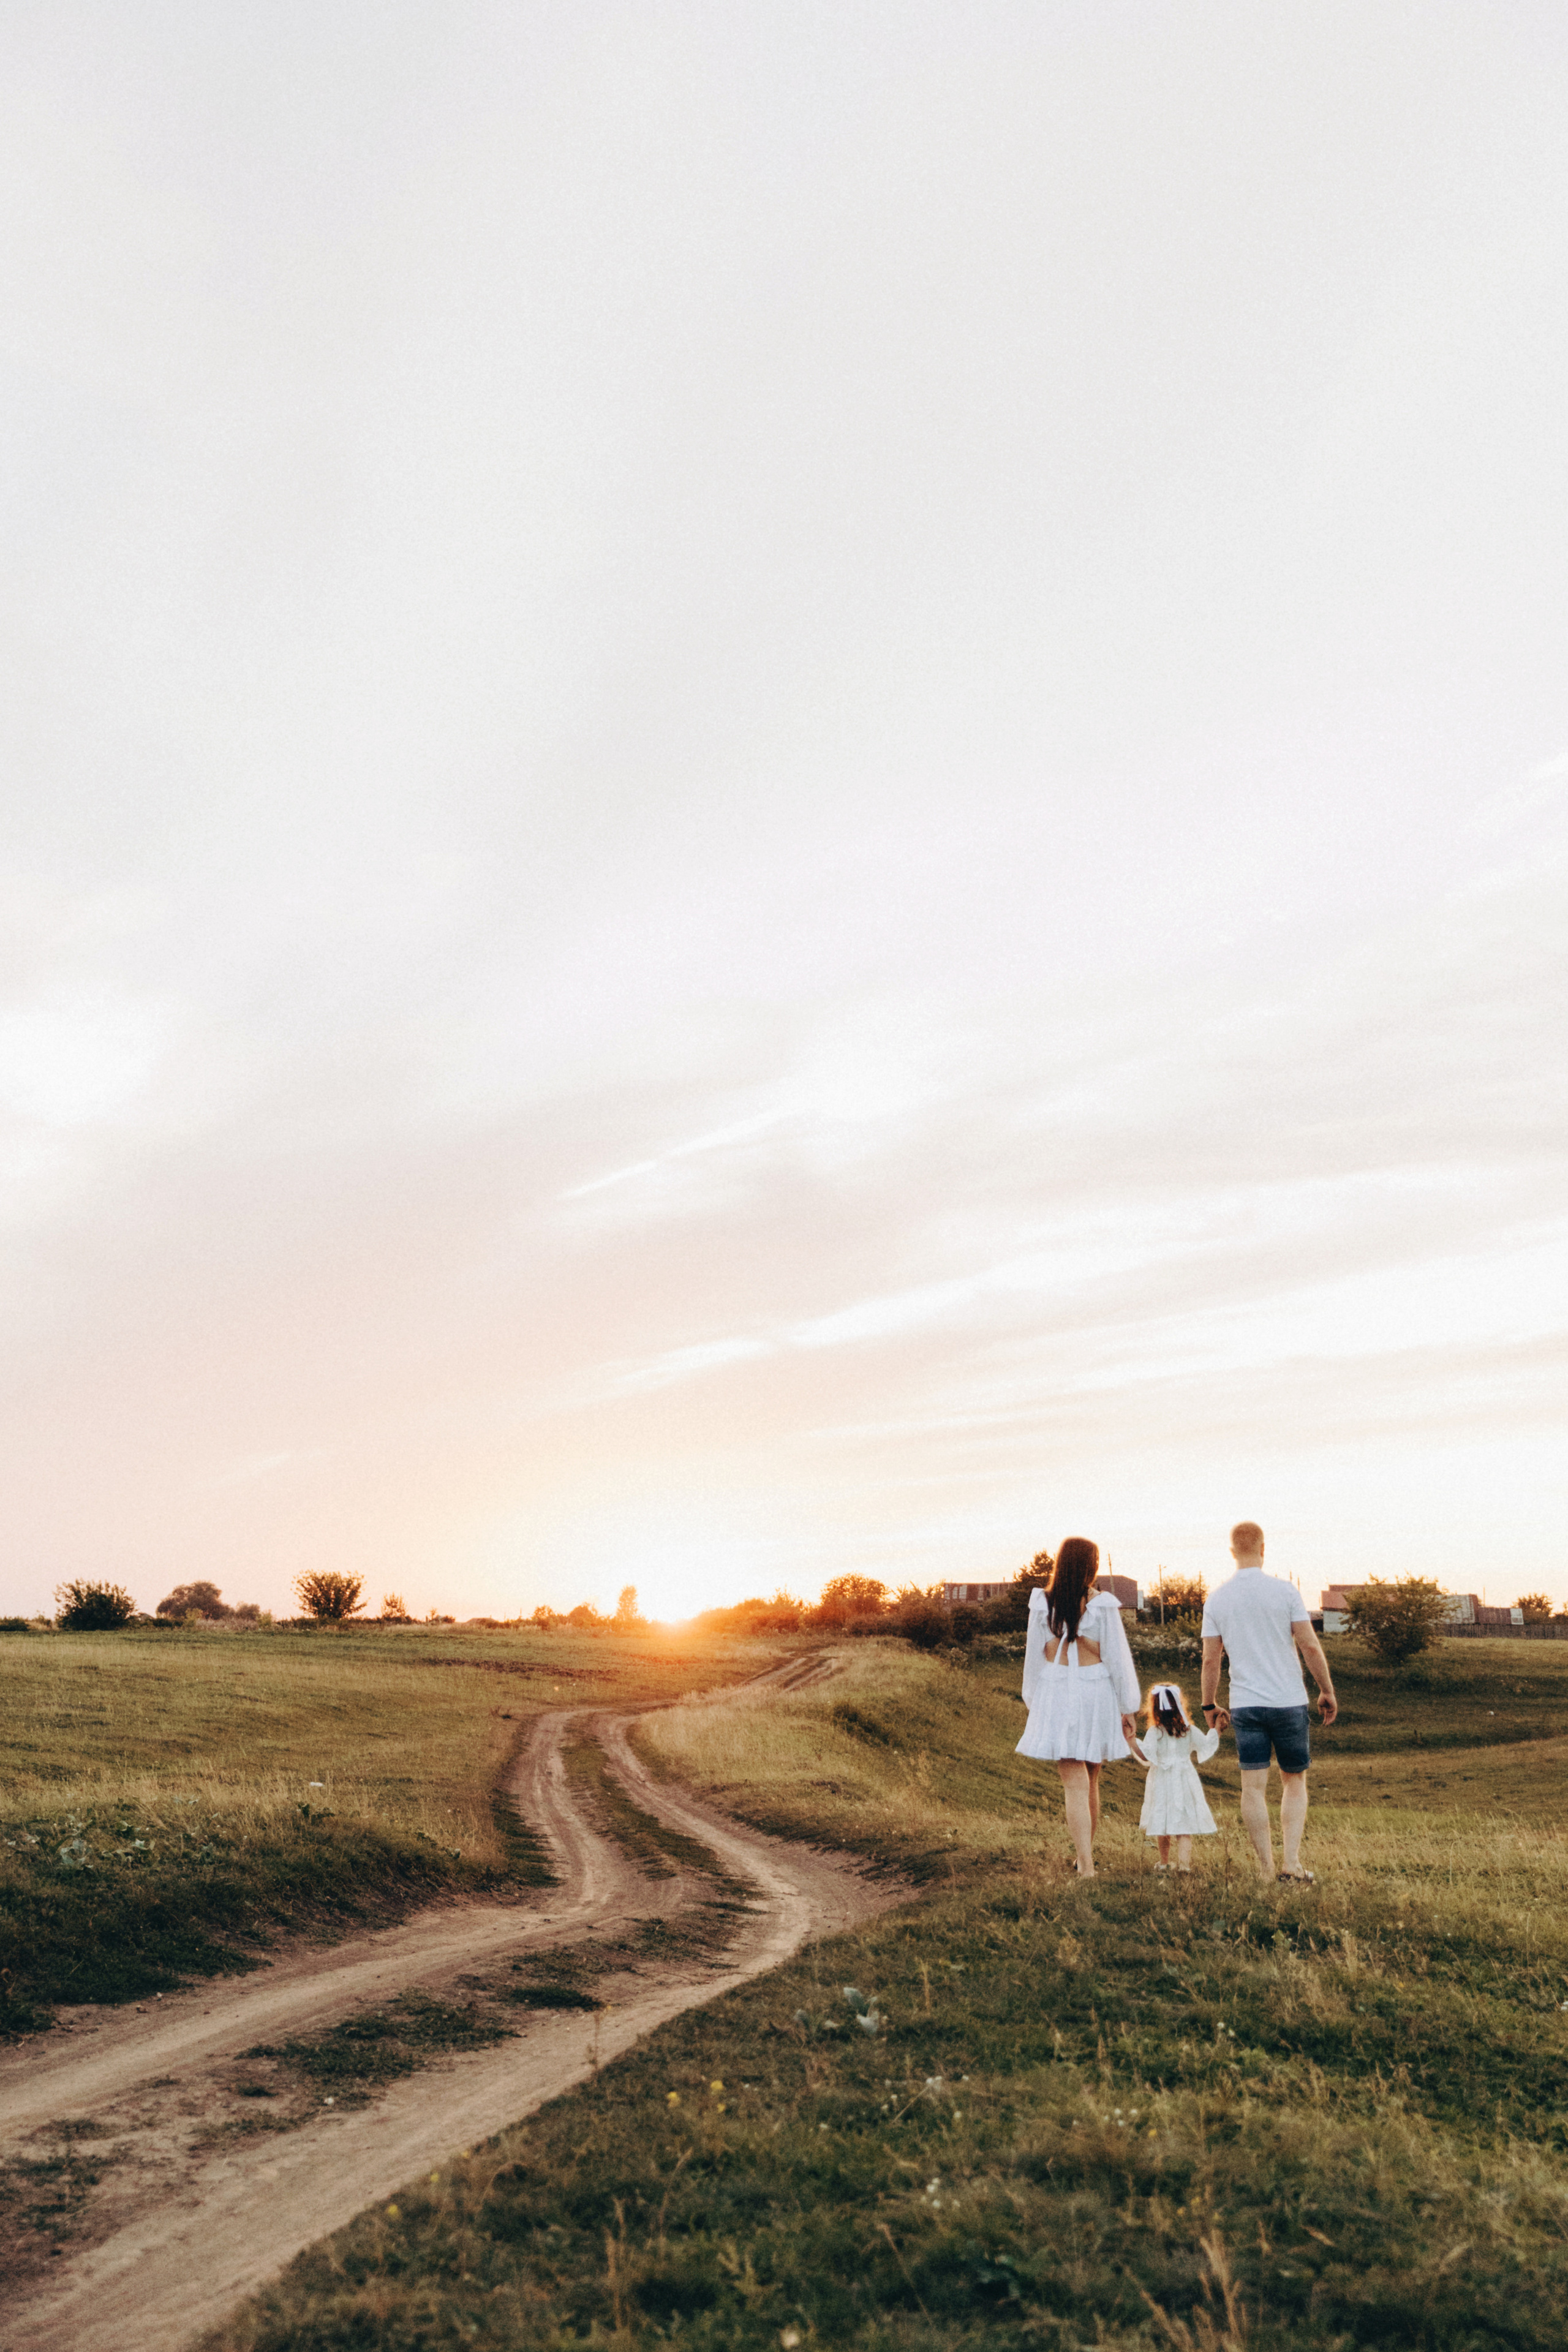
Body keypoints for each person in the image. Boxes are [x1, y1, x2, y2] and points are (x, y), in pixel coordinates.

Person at [1200, 1521, 1338, 1883]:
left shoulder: (1217, 1599)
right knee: (1294, 1781)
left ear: (1232, 1552)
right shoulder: (1285, 1591)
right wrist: (1326, 1690)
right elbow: (1309, 1645)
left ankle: (1265, 1869)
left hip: (1246, 1705)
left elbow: (1211, 1660)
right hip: (1289, 1702)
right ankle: (1291, 1864)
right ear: (1263, 1549)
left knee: (1252, 1788)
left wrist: (1209, 1705)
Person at [1017, 1537, 1139, 1878]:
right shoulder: (1103, 1605)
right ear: (1091, 1566)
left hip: (1057, 1690)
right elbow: (1118, 1659)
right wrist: (1127, 1707)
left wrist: (1034, 1700)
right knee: (1091, 1778)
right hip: (1096, 1691)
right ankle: (1085, 1859)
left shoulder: (1043, 1604)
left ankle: (1085, 1863)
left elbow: (1034, 1658)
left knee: (1075, 1781)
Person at [1133, 1681, 1219, 1873]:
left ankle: (1164, 1862)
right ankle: (1184, 1866)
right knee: (1184, 1822)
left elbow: (1146, 1755)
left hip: (1162, 1779)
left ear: (1155, 1708)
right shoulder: (1188, 1730)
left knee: (1162, 1820)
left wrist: (1131, 1740)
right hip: (1184, 1778)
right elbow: (1206, 1745)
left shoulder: (1155, 1732)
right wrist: (1216, 1730)